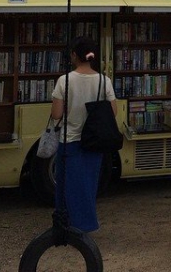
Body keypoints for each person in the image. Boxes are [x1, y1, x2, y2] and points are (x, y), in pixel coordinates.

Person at [51, 36, 117, 233]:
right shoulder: (104, 81)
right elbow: (113, 112)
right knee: (88, 184)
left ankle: (66, 223)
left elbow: (56, 114)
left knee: (66, 186)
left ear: (74, 55)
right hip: (94, 141)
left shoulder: (65, 80)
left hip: (70, 140)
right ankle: (86, 225)